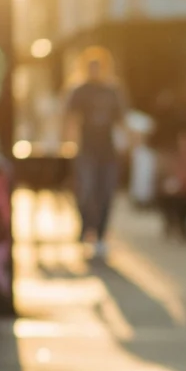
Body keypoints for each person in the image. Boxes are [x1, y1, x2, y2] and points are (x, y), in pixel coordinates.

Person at [64, 52, 126, 258]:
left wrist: (126, 143)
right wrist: (69, 143)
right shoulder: (79, 91)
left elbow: (121, 120)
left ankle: (100, 236)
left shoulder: (112, 91)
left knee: (106, 193)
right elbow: (70, 118)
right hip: (86, 150)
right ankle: (86, 227)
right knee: (87, 191)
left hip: (107, 151)